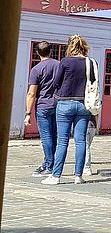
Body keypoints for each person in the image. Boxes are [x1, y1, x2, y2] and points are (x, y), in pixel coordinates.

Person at [42, 35, 98, 185]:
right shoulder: (91, 62)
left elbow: (56, 82)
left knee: (62, 141)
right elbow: (94, 83)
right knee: (80, 141)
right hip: (83, 104)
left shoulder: (65, 61)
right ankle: (78, 176)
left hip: (65, 103)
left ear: (70, 46)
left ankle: (56, 176)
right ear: (83, 46)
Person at [24, 42, 60, 176]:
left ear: (37, 53)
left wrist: (28, 113)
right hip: (57, 104)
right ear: (51, 51)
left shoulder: (36, 69)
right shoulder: (59, 66)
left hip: (43, 106)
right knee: (54, 136)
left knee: (46, 137)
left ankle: (49, 165)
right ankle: (49, 163)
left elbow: (31, 93)